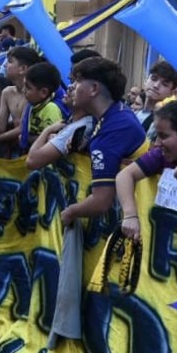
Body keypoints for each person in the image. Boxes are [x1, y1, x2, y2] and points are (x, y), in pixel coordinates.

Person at [59, 57, 147, 227]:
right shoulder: (119, 113)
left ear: (93, 89)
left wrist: (70, 212)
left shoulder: (111, 132)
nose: (71, 87)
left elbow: (101, 201)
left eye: (77, 81)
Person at [115, 101, 177, 241]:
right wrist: (130, 215)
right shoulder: (159, 155)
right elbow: (124, 175)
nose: (157, 143)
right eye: (157, 136)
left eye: (164, 136)